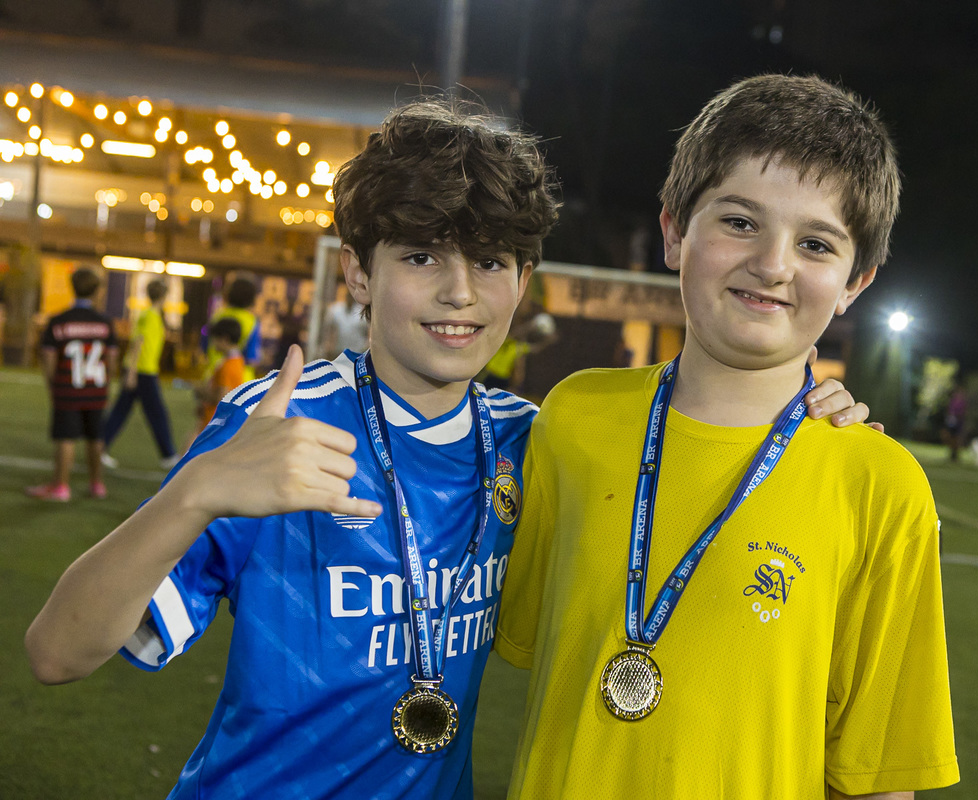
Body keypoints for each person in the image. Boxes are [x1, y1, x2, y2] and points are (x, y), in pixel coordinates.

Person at [25, 100, 871, 800]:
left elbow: (688, 474)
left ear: (523, 282)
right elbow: (57, 652)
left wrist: (811, 414)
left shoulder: (532, 441)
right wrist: (198, 491)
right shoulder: (280, 425)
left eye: (491, 261)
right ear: (359, 273)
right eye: (422, 256)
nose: (460, 291)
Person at [495, 75, 959, 799]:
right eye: (740, 222)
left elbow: (878, 776)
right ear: (674, 232)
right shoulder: (573, 419)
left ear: (855, 284)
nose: (772, 265)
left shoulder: (880, 485)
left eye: (815, 243)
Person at [25, 266, 118, 501]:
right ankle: (97, 484)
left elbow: (48, 357)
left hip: (68, 388)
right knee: (96, 437)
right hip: (96, 388)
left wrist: (53, 383)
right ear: (97, 291)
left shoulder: (59, 321)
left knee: (65, 437)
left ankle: (61, 486)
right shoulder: (105, 323)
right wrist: (106, 382)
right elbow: (112, 358)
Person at [100, 279, 179, 470]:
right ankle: (168, 455)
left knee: (120, 412)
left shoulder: (152, 315)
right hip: (142, 372)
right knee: (157, 414)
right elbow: (138, 343)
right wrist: (132, 373)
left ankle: (99, 448)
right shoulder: (149, 315)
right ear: (163, 295)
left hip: (143, 370)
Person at [205, 276, 262, 381]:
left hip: (214, 375)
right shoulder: (252, 321)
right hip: (241, 379)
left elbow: (204, 346)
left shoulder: (216, 316)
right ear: (252, 298)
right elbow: (252, 358)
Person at [193, 317, 244, 430]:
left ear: (225, 339)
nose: (212, 343)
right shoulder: (237, 361)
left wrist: (201, 392)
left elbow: (222, 397)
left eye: (215, 339)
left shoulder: (229, 366)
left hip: (214, 424)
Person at [321, 289, 369, 359]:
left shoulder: (362, 312)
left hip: (357, 353)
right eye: (349, 295)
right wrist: (328, 345)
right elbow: (329, 330)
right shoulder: (335, 310)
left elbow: (368, 332)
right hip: (338, 351)